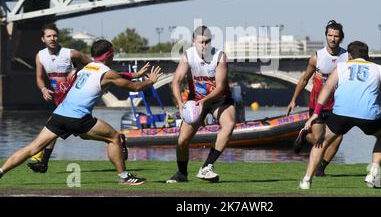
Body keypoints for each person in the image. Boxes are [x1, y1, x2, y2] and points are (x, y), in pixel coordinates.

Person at [0, 39, 164, 185]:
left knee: (32, 148)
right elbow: (134, 87)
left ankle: (1, 172)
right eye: (112, 54)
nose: (113, 58)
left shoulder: (87, 68)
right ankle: (124, 177)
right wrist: (151, 81)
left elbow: (115, 75)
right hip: (78, 119)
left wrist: (135, 74)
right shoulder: (107, 73)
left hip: (60, 115)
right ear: (108, 55)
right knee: (115, 138)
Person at [298, 41, 381, 189]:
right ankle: (373, 172)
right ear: (367, 56)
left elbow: (327, 89)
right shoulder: (378, 69)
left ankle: (306, 180)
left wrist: (315, 113)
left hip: (341, 113)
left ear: (349, 55)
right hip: (369, 115)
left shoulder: (341, 67)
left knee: (322, 143)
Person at [166, 25, 236, 183]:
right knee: (182, 140)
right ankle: (182, 174)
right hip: (195, 101)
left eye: (207, 42)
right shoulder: (188, 56)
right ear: (193, 41)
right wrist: (180, 103)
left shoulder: (219, 56)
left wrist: (204, 101)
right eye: (201, 42)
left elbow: (220, 87)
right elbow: (176, 81)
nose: (204, 45)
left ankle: (206, 167)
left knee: (229, 124)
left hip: (219, 99)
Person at [286, 20, 348, 176]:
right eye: (330, 35)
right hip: (317, 103)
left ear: (341, 38)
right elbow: (304, 79)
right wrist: (294, 100)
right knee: (318, 138)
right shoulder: (317, 57)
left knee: (338, 138)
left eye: (336, 36)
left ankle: (321, 168)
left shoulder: (347, 57)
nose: (332, 38)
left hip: (337, 104)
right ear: (326, 36)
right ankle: (304, 136)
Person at [28, 23, 92, 173]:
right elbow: (38, 77)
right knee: (80, 132)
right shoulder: (40, 56)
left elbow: (93, 65)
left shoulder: (71, 54)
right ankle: (114, 139)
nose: (52, 38)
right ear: (43, 39)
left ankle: (41, 160)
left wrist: (100, 82)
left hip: (74, 97)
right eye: (49, 36)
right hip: (58, 99)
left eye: (55, 35)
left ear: (58, 37)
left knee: (52, 125)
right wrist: (43, 88)